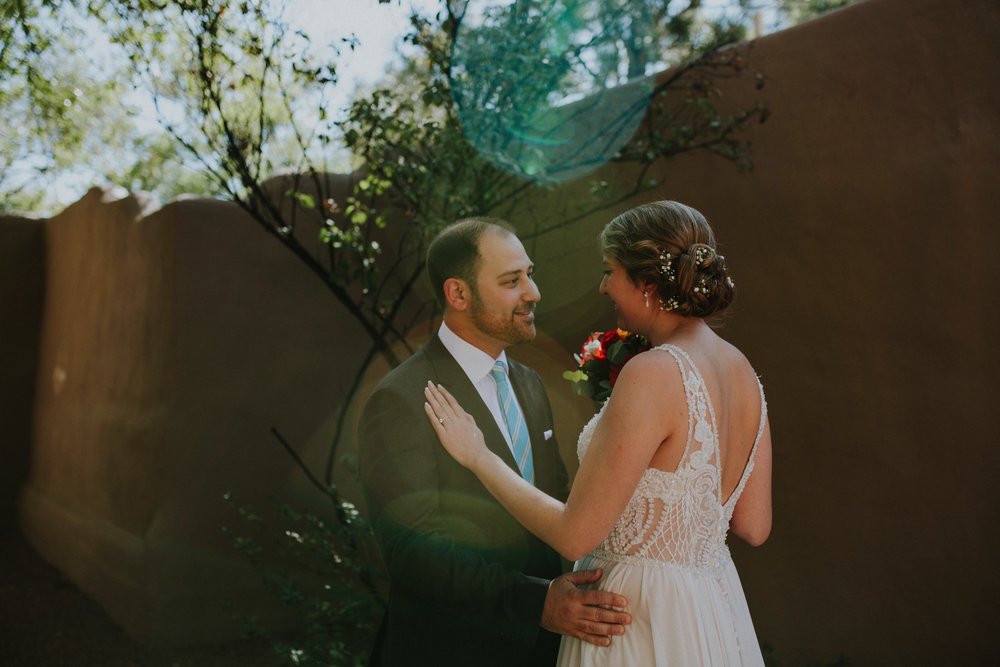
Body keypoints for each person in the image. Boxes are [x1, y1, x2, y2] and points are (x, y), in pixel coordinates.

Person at [424, 200, 773, 666]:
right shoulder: (743, 370)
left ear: (646, 285)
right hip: (708, 608)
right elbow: (753, 526)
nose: (604, 285)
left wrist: (479, 456)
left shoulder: (654, 372)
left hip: (636, 615)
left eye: (611, 271)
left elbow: (575, 537)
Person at [358, 217, 633, 667]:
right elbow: (415, 554)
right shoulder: (401, 400)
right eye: (511, 281)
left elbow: (554, 502)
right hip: (452, 651)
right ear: (458, 294)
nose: (533, 292)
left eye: (529, 273)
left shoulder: (527, 383)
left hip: (543, 652)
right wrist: (537, 604)